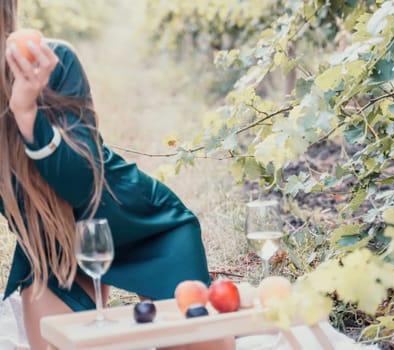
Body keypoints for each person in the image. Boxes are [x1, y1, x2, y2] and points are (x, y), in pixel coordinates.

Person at [1, 1, 235, 349]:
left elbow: (82, 185)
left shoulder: (53, 64)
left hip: (146, 229)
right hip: (57, 248)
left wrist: (26, 114)